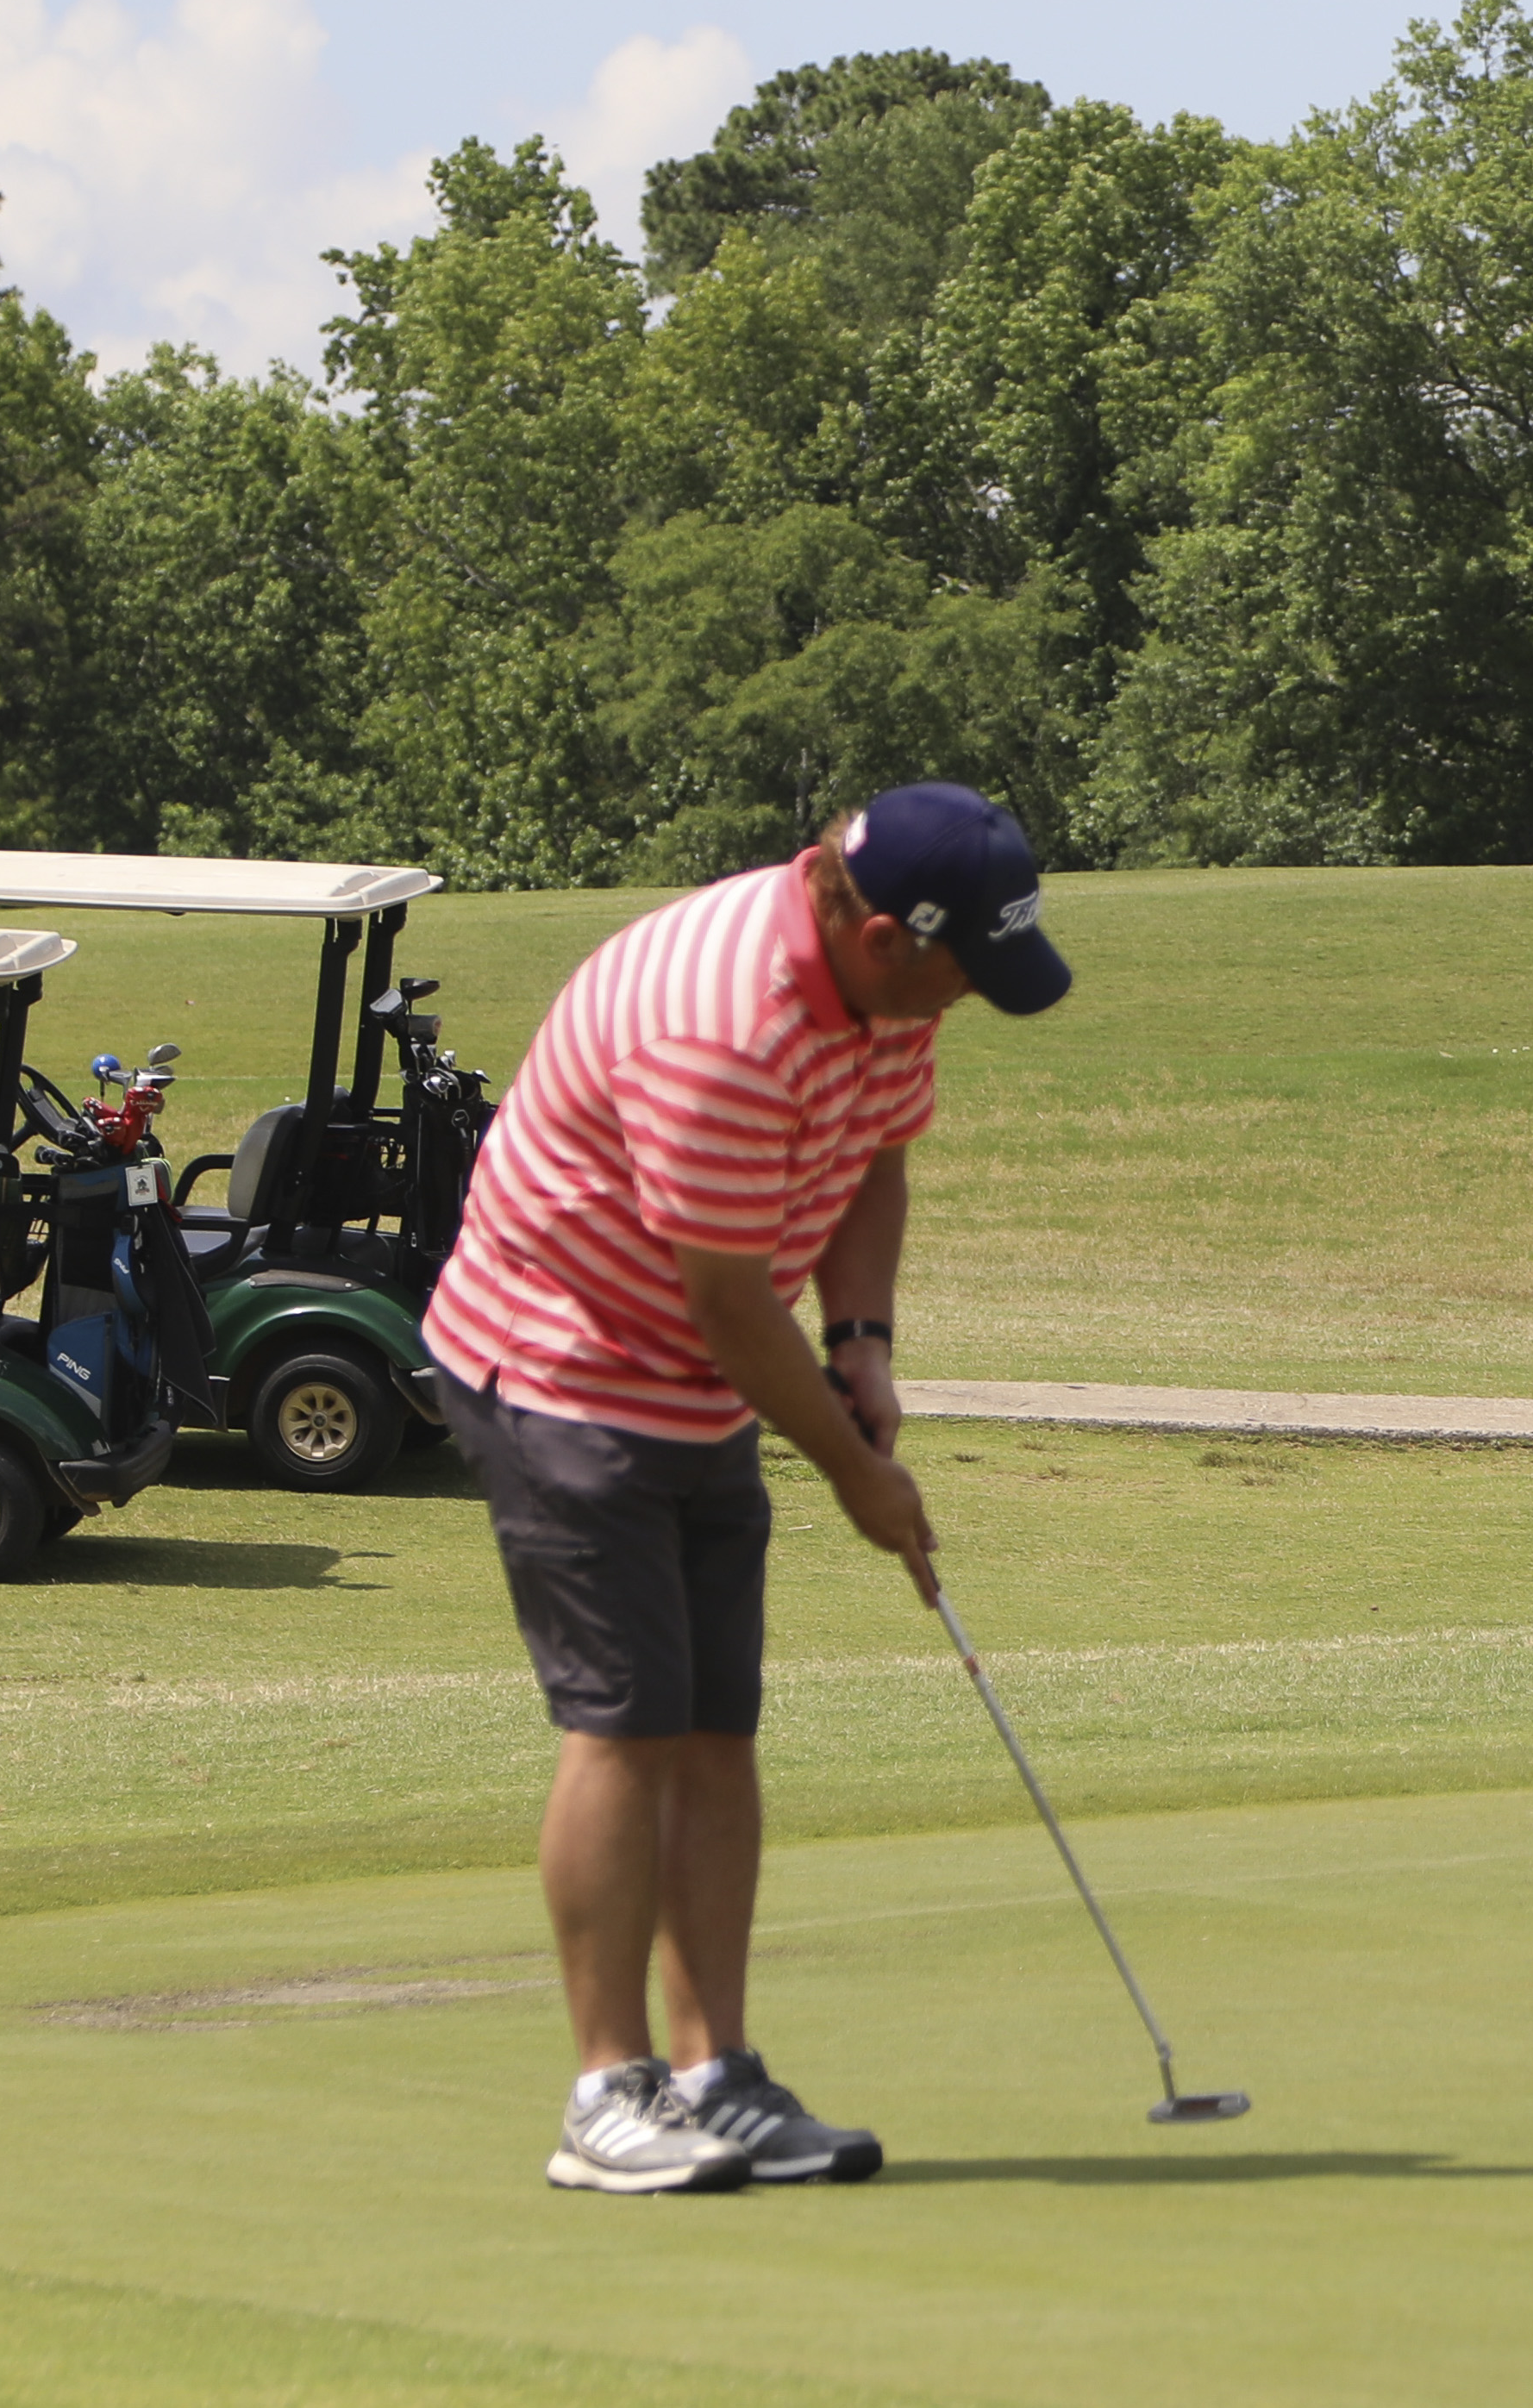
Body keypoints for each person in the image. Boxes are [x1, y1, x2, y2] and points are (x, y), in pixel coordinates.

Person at [418, 784, 1073, 2193]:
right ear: (889, 934)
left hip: (700, 1368)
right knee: (627, 1722)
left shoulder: (890, 999)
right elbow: (721, 1295)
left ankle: (717, 2073)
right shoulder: (724, 1025)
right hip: (560, 1360)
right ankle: (608, 2093)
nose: (967, 998)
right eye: (962, 966)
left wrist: (863, 1342)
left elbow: (873, 1160)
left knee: (717, 1722)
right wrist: (857, 1476)